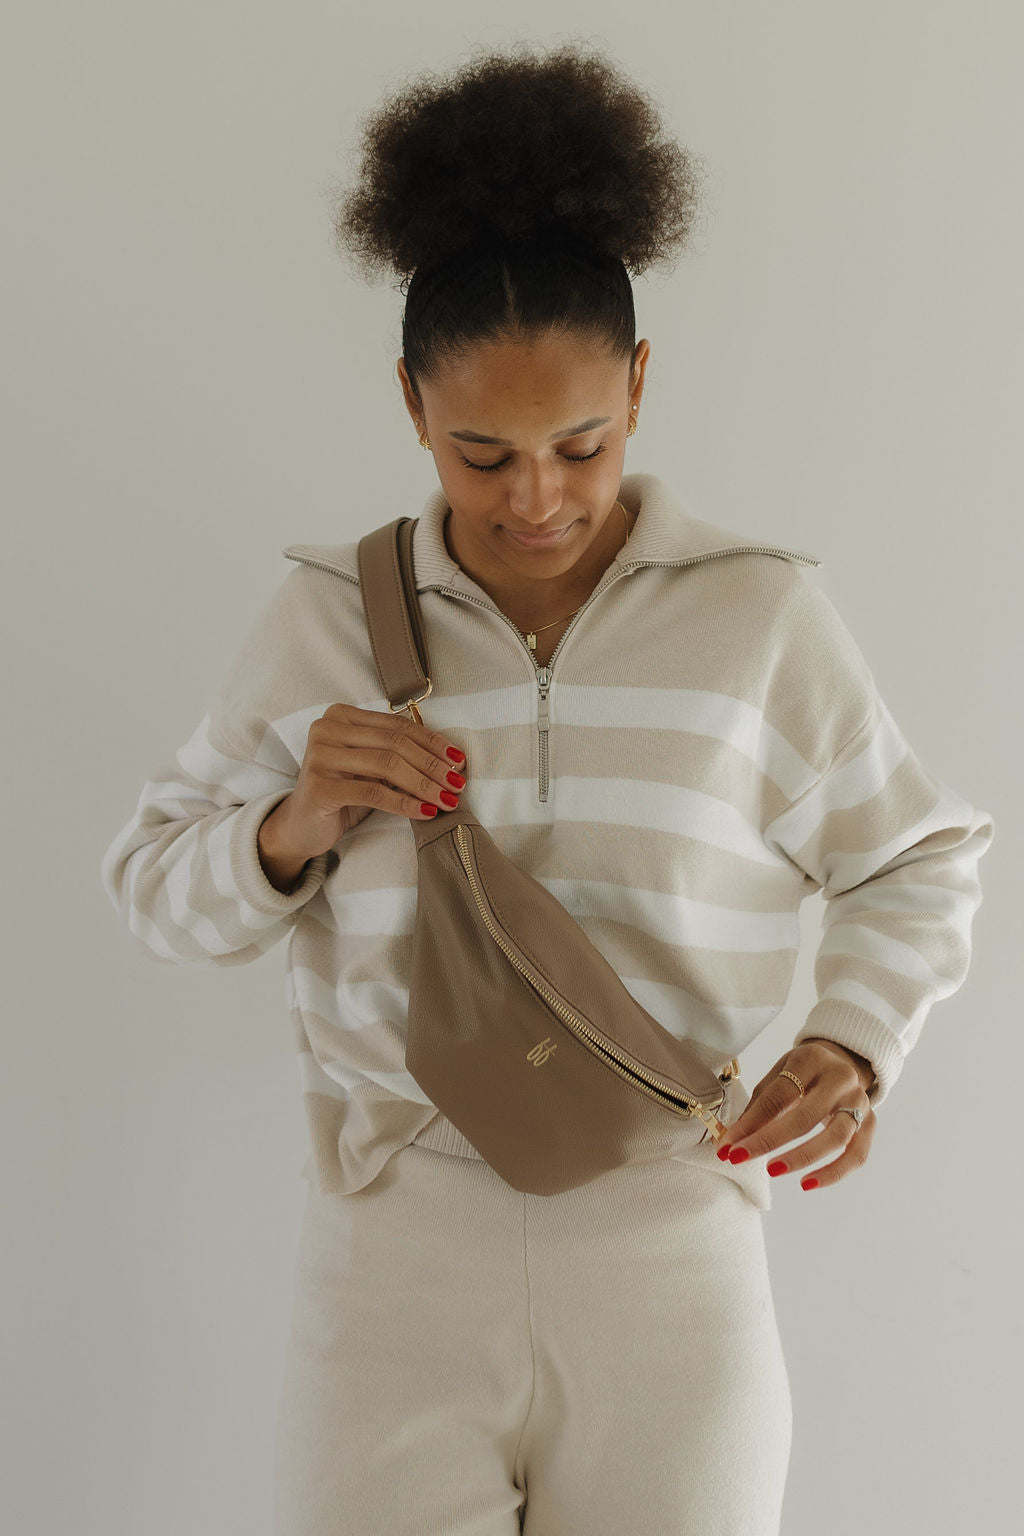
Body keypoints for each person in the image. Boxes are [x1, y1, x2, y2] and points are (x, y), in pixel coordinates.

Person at [99, 41, 995, 1536]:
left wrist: (857, 1041)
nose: (534, 497)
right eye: (479, 452)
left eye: (579, 443)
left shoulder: (758, 617)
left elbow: (918, 854)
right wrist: (295, 822)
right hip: (388, 1247)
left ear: (641, 386)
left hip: (669, 1239)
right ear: (408, 406)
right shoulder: (329, 618)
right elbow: (152, 895)